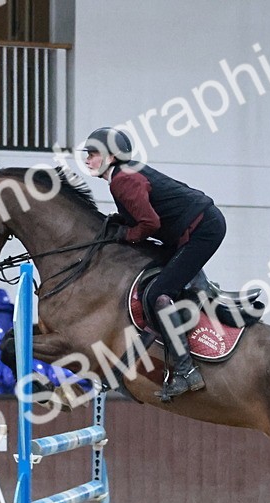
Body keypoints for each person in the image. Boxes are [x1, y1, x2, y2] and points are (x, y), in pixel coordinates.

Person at [82, 126, 226, 401]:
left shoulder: (123, 180)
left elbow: (149, 223)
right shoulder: (121, 176)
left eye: (92, 154)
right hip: (192, 227)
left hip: (203, 230)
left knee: (158, 295)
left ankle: (186, 371)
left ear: (111, 157)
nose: (87, 159)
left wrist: (125, 234)